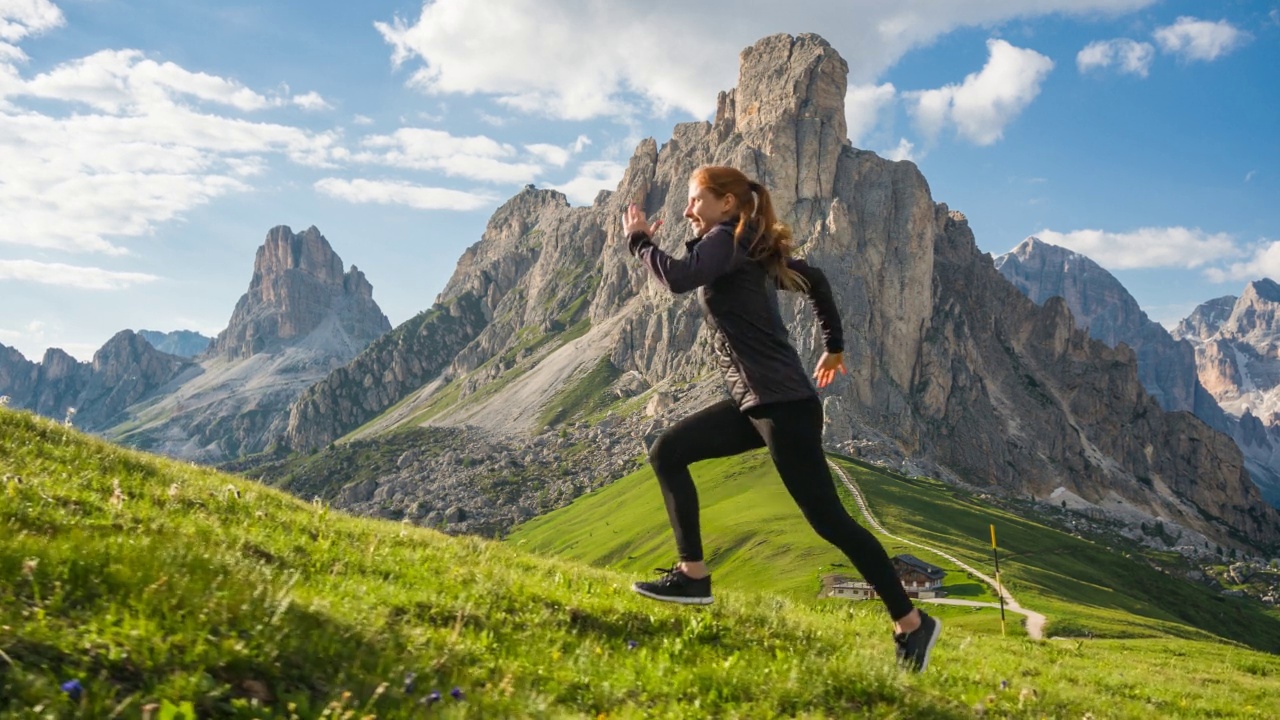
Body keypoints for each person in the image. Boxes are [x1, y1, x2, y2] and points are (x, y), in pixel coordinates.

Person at [621, 165, 941, 672]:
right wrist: (833, 346)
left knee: (830, 522)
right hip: (757, 404)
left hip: (783, 407)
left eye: (694, 199)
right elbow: (815, 279)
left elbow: (680, 279)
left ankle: (912, 624)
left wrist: (640, 244)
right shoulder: (744, 246)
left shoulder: (726, 241)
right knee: (668, 452)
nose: (687, 211)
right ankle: (693, 576)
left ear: (727, 203)